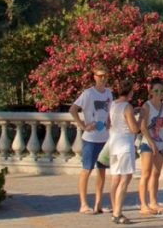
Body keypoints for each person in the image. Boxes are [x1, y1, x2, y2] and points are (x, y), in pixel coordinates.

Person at [69, 65, 112, 215]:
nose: (103, 79)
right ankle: (83, 204)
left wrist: (109, 122)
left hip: (104, 138)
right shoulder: (88, 93)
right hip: (90, 139)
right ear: (94, 77)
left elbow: (109, 111)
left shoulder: (109, 93)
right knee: (86, 170)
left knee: (102, 171)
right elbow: (73, 109)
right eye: (100, 76)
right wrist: (82, 125)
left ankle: (98, 204)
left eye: (105, 75)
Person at [107, 81, 140, 225]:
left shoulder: (113, 104)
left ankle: (114, 208)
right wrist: (141, 119)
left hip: (113, 143)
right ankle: (117, 212)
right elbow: (134, 129)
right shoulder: (127, 107)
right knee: (125, 179)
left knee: (115, 178)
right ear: (130, 92)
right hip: (124, 145)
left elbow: (109, 123)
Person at [138, 78, 163, 215]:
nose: (159, 93)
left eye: (161, 91)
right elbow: (143, 127)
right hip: (148, 143)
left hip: (160, 142)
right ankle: (143, 204)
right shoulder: (147, 106)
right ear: (151, 91)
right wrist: (151, 143)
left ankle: (153, 201)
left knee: (156, 173)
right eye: (156, 90)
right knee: (146, 173)